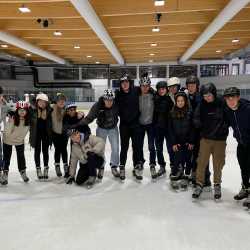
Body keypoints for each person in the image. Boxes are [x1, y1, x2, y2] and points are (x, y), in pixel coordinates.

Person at [192, 83, 229, 200]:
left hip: (219, 140)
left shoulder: (221, 102)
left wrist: (223, 128)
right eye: (204, 96)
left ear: (213, 93)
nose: (206, 98)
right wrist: (200, 125)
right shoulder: (202, 104)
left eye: (208, 95)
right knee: (201, 162)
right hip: (206, 139)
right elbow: (196, 117)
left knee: (218, 164)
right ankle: (199, 184)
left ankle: (217, 184)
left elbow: (228, 117)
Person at [75, 89, 120, 179]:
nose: (109, 102)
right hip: (101, 129)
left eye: (111, 100)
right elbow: (89, 117)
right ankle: (101, 167)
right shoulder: (98, 106)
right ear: (103, 99)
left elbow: (125, 113)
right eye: (107, 99)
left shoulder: (116, 105)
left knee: (115, 148)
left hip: (113, 128)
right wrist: (78, 124)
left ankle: (114, 166)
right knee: (100, 149)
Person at [223, 87, 250, 208]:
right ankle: (246, 188)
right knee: (244, 168)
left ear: (238, 97)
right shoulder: (228, 111)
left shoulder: (247, 108)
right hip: (241, 143)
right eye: (228, 98)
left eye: (232, 97)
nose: (230, 100)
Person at [115, 74, 142, 181]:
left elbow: (148, 90)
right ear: (121, 84)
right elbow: (106, 100)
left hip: (136, 125)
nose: (125, 84)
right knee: (124, 147)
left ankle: (136, 167)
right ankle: (122, 167)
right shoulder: (118, 94)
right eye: (122, 82)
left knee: (136, 147)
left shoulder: (136, 90)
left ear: (129, 83)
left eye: (126, 82)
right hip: (124, 125)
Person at [186, 75, 211, 187]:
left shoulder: (201, 97)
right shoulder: (186, 97)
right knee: (194, 154)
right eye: (189, 85)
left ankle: (206, 177)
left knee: (203, 155)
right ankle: (195, 174)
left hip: (202, 131)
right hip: (191, 131)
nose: (191, 87)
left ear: (197, 86)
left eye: (193, 85)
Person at [168, 92, 195, 190]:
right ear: (175, 102)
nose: (180, 102)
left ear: (185, 101)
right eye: (178, 101)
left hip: (187, 142)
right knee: (177, 160)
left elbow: (193, 128)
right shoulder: (172, 113)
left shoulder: (189, 112)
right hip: (177, 142)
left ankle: (186, 176)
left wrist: (191, 141)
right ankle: (174, 176)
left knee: (188, 159)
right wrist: (174, 142)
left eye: (182, 101)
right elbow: (170, 129)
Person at [1, 101, 30, 185]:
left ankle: (23, 172)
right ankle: (5, 173)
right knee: (7, 157)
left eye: (24, 110)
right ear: (17, 110)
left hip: (19, 141)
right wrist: (10, 120)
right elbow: (7, 132)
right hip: (8, 140)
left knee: (21, 157)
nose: (22, 112)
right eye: (20, 110)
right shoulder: (12, 118)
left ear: (27, 111)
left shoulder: (28, 120)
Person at [137, 75, 157, 180]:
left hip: (150, 125)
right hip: (140, 124)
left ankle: (152, 164)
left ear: (149, 86)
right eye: (143, 86)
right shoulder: (137, 96)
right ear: (140, 86)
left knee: (151, 146)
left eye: (147, 85)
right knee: (139, 145)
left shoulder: (153, 96)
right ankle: (140, 162)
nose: (145, 87)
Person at [29, 93, 53, 180]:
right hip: (36, 135)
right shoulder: (32, 110)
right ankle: (38, 169)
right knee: (37, 152)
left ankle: (46, 168)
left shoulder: (50, 110)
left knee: (45, 152)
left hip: (46, 135)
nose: (42, 103)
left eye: (44, 102)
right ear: (37, 102)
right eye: (40, 101)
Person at [153, 81, 174, 177]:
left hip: (168, 128)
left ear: (166, 89)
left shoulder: (170, 100)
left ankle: (173, 166)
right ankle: (162, 166)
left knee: (170, 149)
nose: (161, 91)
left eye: (163, 89)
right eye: (159, 89)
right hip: (158, 129)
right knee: (159, 149)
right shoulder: (154, 99)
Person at [51, 93, 69, 177]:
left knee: (64, 150)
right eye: (60, 101)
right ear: (57, 102)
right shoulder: (52, 109)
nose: (62, 102)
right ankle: (57, 166)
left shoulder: (67, 110)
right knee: (57, 150)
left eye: (63, 101)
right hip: (55, 133)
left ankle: (66, 166)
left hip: (64, 134)